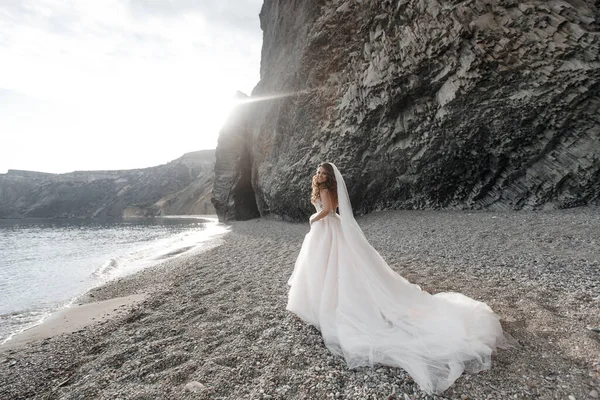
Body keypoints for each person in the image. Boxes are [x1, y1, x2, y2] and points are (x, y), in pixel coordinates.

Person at [286, 162, 515, 394]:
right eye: (319, 172)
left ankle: (322, 302)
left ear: (329, 177)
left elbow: (325, 211)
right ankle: (324, 298)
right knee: (332, 265)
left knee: (327, 265)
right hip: (333, 229)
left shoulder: (324, 190)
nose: (321, 175)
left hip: (325, 228)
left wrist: (312, 220)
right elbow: (333, 211)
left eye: (324, 173)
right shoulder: (331, 189)